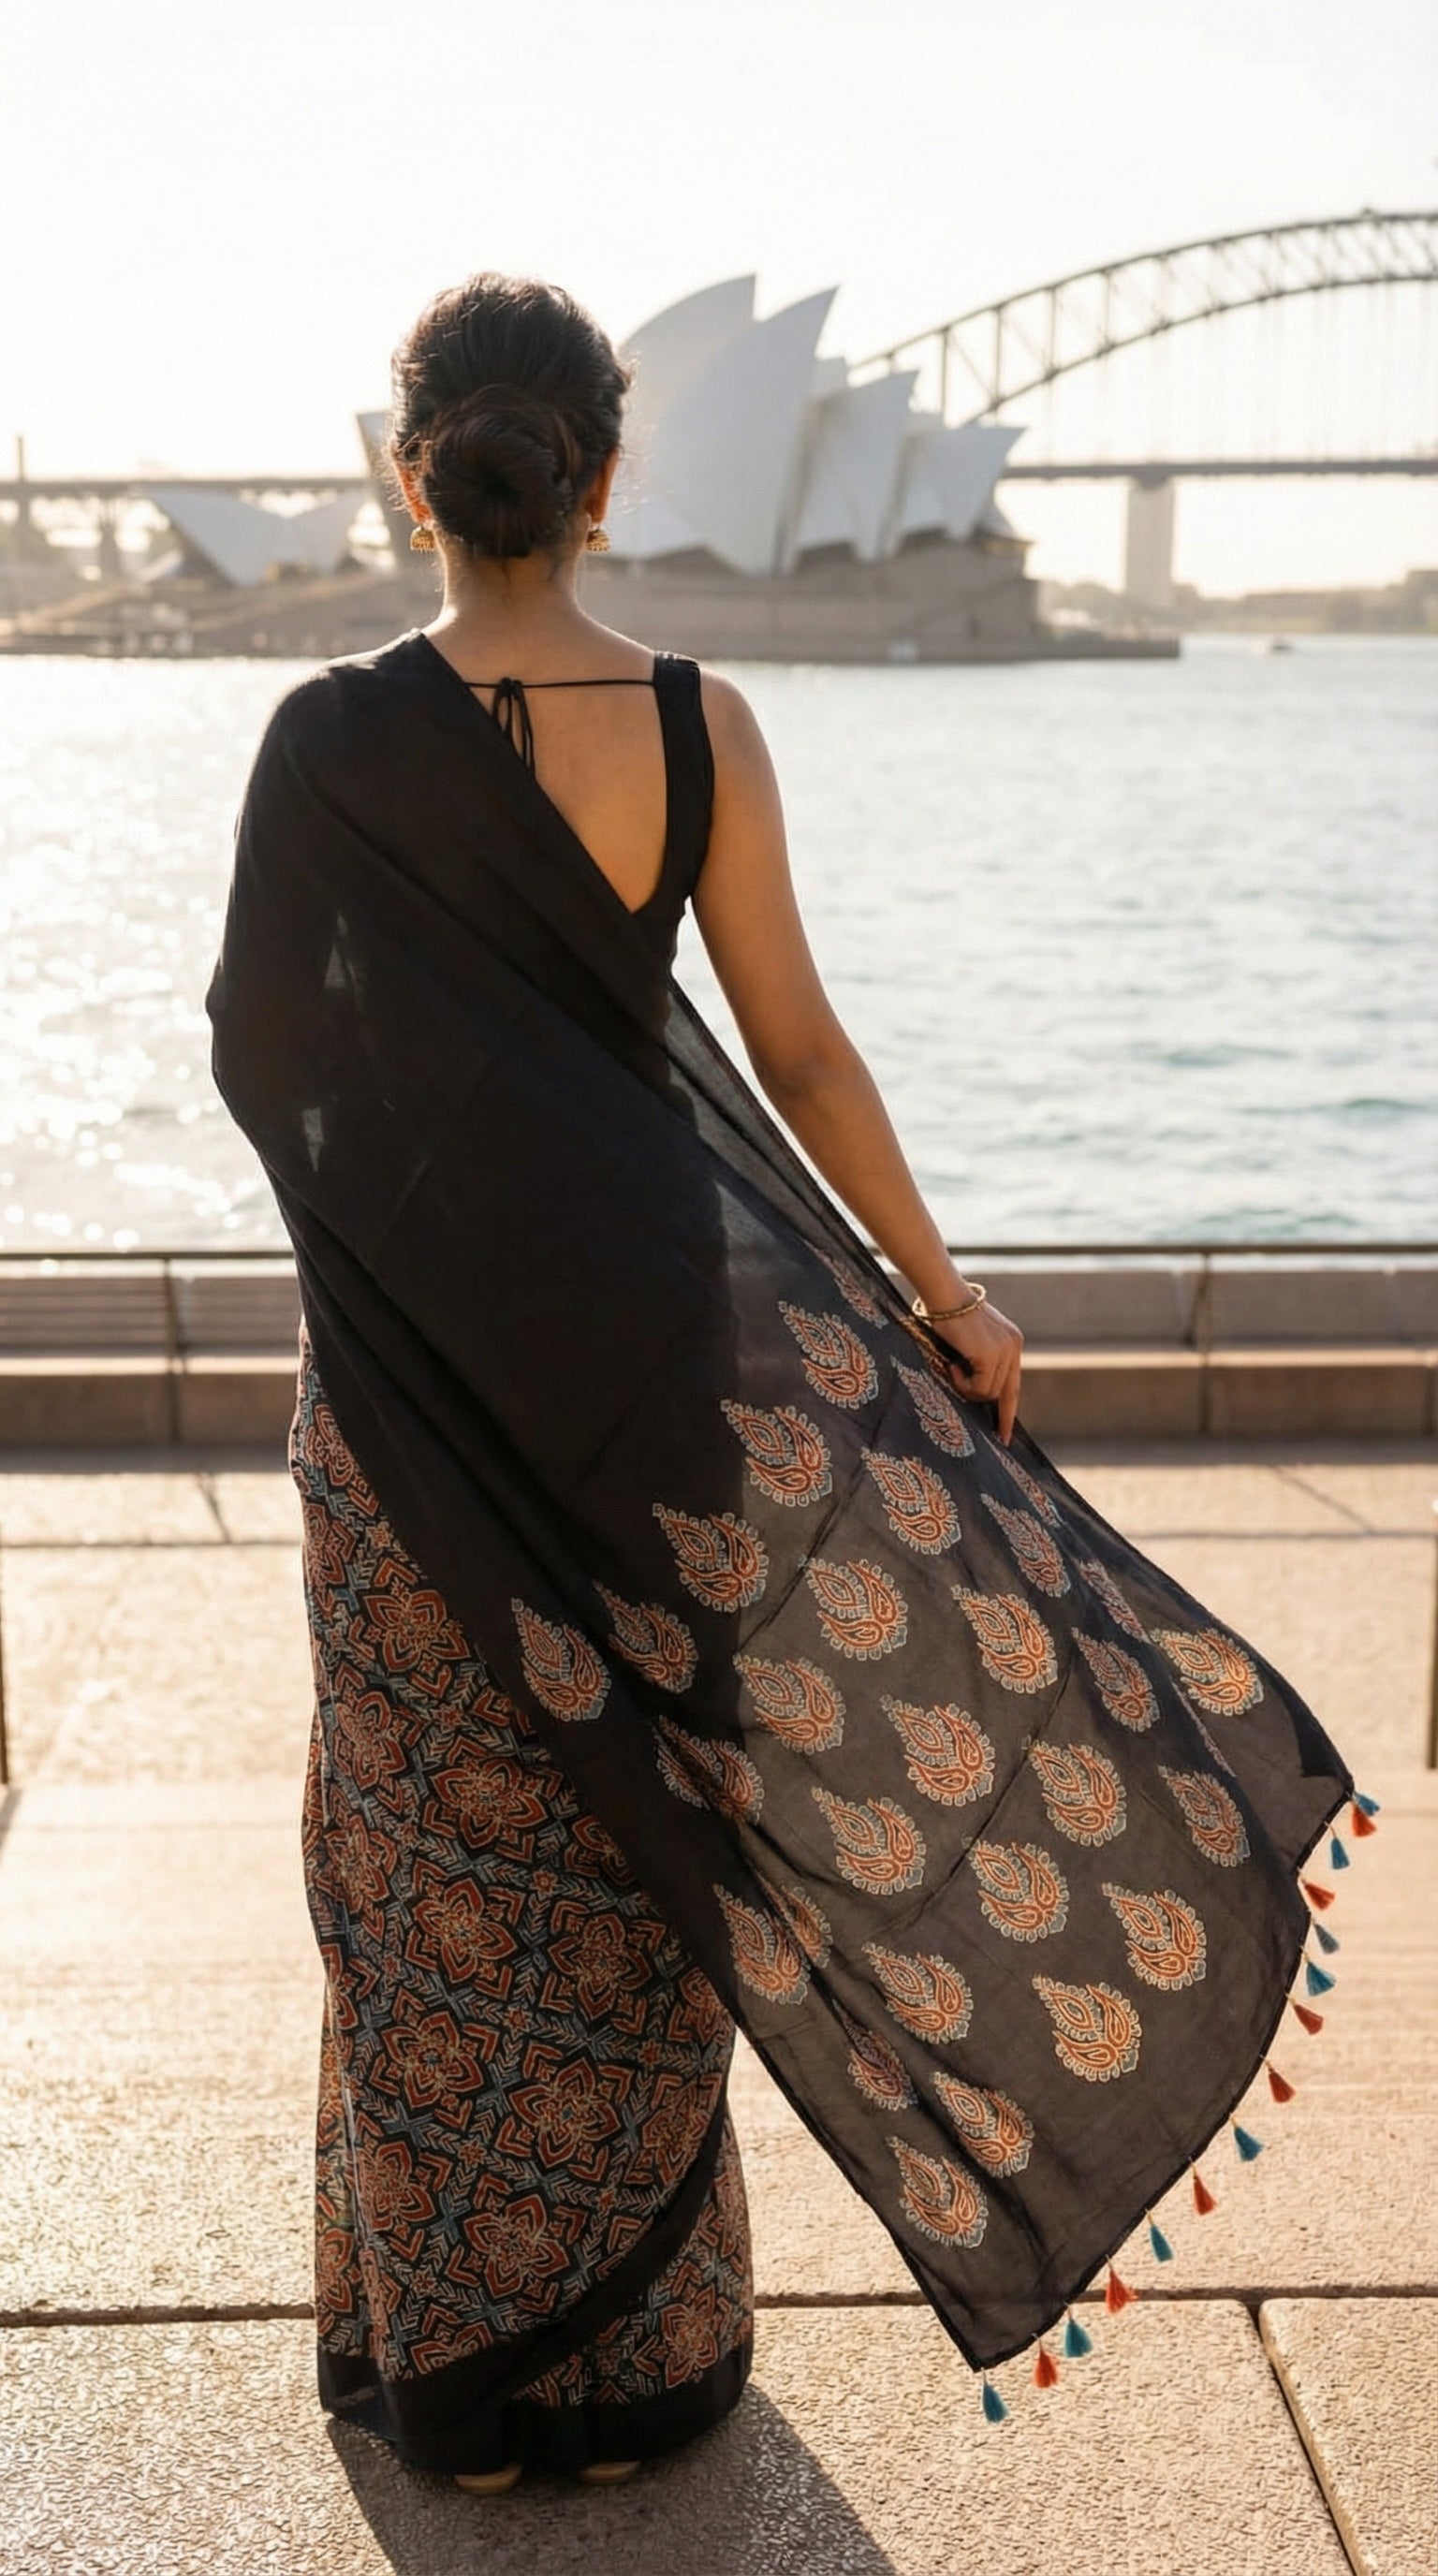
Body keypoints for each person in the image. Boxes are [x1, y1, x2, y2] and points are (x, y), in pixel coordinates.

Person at [209, 271, 1353, 2493]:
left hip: (403, 1401)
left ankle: (463, 2380)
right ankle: (634, 2376)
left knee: (424, 1861)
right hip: (663, 1379)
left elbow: (265, 1056)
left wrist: (424, 1238)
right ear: (609, 477)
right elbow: (800, 1050)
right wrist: (947, 1294)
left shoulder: (326, 739)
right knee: (647, 1858)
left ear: (411, 473)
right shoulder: (699, 724)